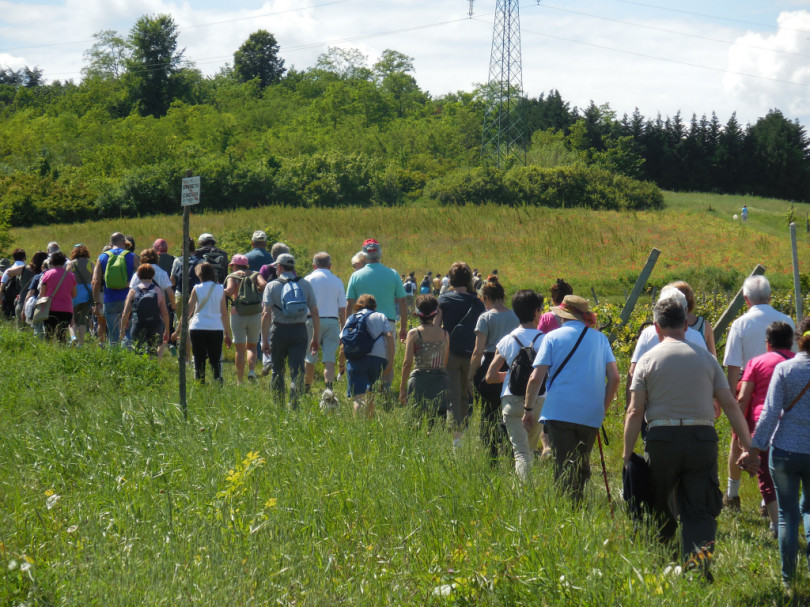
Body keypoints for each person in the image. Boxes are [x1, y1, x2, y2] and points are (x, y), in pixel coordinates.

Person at [623, 297, 753, 582]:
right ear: (686, 324)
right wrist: (746, 443)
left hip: (662, 438)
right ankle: (697, 568)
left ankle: (662, 560)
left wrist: (627, 453)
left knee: (658, 501)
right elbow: (730, 404)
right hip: (701, 438)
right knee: (700, 507)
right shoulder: (706, 358)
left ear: (656, 327)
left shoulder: (647, 359)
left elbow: (635, 410)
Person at [524, 295, 620, 503]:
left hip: (559, 411)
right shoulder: (600, 339)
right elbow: (615, 377)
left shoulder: (552, 338)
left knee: (563, 462)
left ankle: (567, 507)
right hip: (590, 413)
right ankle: (578, 502)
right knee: (581, 463)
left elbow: (535, 377)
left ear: (563, 316)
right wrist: (602, 408)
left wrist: (528, 409)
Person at [739, 317, 810, 589]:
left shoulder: (785, 369)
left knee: (787, 516)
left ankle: (788, 581)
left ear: (798, 339)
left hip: (784, 453)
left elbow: (769, 415)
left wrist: (754, 450)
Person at [723, 275, 794, 510]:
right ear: (770, 296)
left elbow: (733, 365)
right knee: (776, 441)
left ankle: (733, 493)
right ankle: (768, 498)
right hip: (783, 384)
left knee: (739, 439)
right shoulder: (787, 321)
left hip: (748, 386)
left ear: (746, 299)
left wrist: (732, 401)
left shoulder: (740, 324)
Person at [736, 321, 795, 536]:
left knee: (766, 476)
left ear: (767, 343)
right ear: (792, 342)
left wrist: (740, 430)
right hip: (795, 427)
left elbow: (743, 397)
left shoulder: (756, 362)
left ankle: (777, 525)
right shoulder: (799, 363)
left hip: (764, 423)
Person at [485, 289, 546, 480]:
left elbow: (490, 376)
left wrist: (511, 375)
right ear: (537, 312)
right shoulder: (546, 341)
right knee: (529, 449)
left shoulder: (507, 340)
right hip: (538, 400)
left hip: (511, 400)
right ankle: (525, 492)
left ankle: (522, 492)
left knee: (520, 453)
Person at [345, 239, 407, 389]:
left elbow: (349, 304)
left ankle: (364, 390)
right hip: (388, 322)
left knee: (363, 357)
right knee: (387, 361)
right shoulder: (393, 274)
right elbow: (402, 302)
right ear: (380, 254)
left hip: (362, 323)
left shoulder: (356, 276)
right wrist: (403, 328)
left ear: (364, 255)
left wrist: (346, 327)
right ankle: (384, 393)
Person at [469, 275, 519, 461]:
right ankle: (510, 447)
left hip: (490, 361)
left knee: (488, 411)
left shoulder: (485, 317)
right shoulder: (515, 316)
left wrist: (471, 373)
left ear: (487, 298)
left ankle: (491, 451)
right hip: (511, 363)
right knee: (507, 407)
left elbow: (478, 349)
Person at [261, 253, 319, 408]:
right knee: (298, 370)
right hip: (300, 330)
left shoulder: (272, 285)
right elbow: (314, 311)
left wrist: (264, 339)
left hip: (278, 330)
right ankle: (295, 405)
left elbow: (266, 313)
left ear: (279, 267)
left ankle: (278, 405)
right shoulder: (305, 284)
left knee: (277, 370)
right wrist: (315, 337)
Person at [437, 262, 485, 446]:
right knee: (466, 393)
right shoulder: (477, 302)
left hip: (450, 352)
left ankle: (455, 434)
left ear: (451, 279)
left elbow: (437, 326)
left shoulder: (444, 300)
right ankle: (463, 431)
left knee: (453, 394)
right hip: (472, 352)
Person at [175, 262, 232, 383]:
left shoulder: (197, 288)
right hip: (216, 327)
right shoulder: (220, 288)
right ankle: (217, 379)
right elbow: (224, 313)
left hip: (198, 326)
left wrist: (178, 330)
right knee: (215, 358)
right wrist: (227, 333)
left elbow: (188, 312)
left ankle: (199, 381)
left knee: (199, 358)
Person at [303, 252, 347, 407]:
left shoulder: (307, 279)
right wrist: (344, 328)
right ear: (330, 265)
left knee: (310, 356)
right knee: (329, 358)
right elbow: (342, 309)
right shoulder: (337, 281)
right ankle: (329, 388)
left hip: (311, 320)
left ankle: (307, 387)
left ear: (314, 265)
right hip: (333, 321)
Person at [399, 294, 449, 426]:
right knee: (439, 424)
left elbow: (407, 363)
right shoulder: (445, 334)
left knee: (416, 423)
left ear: (418, 313)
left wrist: (402, 388)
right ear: (435, 313)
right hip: (441, 382)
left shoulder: (414, 333)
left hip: (419, 381)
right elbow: (445, 362)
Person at [341, 294, 394, 417]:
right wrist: (390, 362)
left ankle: (359, 430)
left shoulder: (352, 318)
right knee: (371, 395)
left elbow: (344, 343)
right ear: (374, 305)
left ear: (358, 305)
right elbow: (389, 338)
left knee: (358, 398)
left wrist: (341, 364)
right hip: (378, 358)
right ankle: (369, 426)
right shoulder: (380, 316)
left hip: (356, 359)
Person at [225, 254, 267, 384]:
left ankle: (240, 380)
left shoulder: (233, 276)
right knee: (252, 346)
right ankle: (252, 371)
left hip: (237, 313)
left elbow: (230, 291)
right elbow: (264, 285)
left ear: (234, 265)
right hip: (255, 312)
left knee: (239, 348)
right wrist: (258, 290)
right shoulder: (255, 274)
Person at [92, 232, 136, 346]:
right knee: (127, 331)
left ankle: (115, 359)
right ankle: (129, 357)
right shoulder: (131, 256)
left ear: (111, 244)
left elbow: (95, 282)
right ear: (123, 242)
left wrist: (96, 302)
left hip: (109, 299)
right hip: (128, 300)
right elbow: (142, 276)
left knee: (113, 334)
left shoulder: (102, 257)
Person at [121, 264, 170, 355]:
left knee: (137, 350)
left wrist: (122, 328)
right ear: (153, 275)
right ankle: (153, 367)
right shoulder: (158, 291)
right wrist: (167, 329)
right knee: (153, 350)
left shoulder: (133, 291)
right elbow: (165, 314)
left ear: (138, 276)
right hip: (155, 324)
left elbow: (125, 313)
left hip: (138, 324)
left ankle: (140, 368)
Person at [39, 251, 78, 342]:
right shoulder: (70, 275)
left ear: (52, 262)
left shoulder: (47, 274)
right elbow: (74, 294)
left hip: (50, 308)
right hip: (66, 309)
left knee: (49, 335)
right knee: (62, 335)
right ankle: (62, 353)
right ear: (64, 262)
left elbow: (42, 293)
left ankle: (48, 353)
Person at [67, 244, 95, 346]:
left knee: (72, 318)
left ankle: (73, 337)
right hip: (87, 293)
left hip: (75, 293)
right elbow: (95, 278)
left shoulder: (71, 264)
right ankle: (81, 342)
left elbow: (66, 277)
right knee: (83, 319)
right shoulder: (91, 263)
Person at [1, 248, 26, 318]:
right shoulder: (29, 270)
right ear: (24, 257)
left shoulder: (8, 270)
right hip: (22, 299)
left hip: (9, 298)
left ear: (13, 258)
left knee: (8, 318)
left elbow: (2, 286)